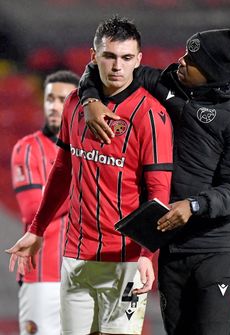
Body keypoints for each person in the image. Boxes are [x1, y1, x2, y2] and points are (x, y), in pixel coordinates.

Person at [78, 25, 230, 335]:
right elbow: (103, 68)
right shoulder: (168, 82)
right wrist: (89, 100)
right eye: (184, 53)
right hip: (172, 242)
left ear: (211, 71)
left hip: (218, 246)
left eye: (191, 60)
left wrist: (194, 206)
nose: (180, 61)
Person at [6, 16, 173, 335]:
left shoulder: (152, 116)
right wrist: (37, 229)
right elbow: (61, 170)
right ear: (93, 56)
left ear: (138, 60)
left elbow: (158, 193)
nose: (117, 66)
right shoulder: (74, 104)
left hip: (125, 260)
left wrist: (146, 254)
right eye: (109, 56)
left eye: (126, 58)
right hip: (76, 258)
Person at [10, 70, 79, 335]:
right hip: (43, 277)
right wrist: (89, 189)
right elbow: (33, 211)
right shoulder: (28, 148)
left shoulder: (92, 150)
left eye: (63, 99)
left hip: (88, 274)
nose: (53, 106)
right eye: (49, 98)